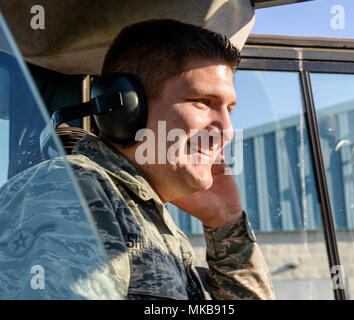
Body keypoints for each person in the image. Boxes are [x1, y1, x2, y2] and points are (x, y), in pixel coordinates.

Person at [66, 19, 275, 300]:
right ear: (124, 107)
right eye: (203, 101)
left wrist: (226, 223)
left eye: (230, 110)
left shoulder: (150, 222)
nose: (226, 131)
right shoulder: (73, 193)